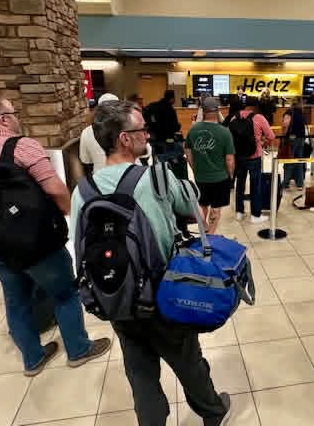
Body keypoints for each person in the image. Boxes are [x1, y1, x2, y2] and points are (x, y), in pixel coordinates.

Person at [70, 100, 231, 426]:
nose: (147, 134)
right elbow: (193, 211)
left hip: (116, 296)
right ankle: (213, 413)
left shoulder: (82, 191)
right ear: (124, 139)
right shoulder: (155, 177)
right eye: (141, 129)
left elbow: (79, 247)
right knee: (188, 361)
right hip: (162, 295)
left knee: (140, 371)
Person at [0, 98, 111, 376]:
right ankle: (78, 350)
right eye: (14, 113)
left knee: (16, 302)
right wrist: (71, 216)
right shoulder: (23, 146)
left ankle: (33, 359)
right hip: (36, 242)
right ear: (3, 119)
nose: (17, 117)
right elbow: (56, 189)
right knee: (65, 294)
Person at [185, 97, 235, 234]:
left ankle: (203, 230)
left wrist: (194, 168)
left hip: (201, 177)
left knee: (202, 204)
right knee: (216, 208)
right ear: (217, 111)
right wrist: (231, 174)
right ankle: (211, 236)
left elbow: (188, 151)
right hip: (220, 177)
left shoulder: (193, 129)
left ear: (203, 111)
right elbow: (229, 158)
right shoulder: (224, 132)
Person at [231, 102, 275, 223]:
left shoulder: (235, 117)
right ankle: (255, 215)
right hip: (254, 156)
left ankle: (239, 212)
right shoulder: (259, 118)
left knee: (240, 184)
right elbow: (271, 136)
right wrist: (263, 143)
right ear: (256, 107)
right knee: (255, 185)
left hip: (239, 156)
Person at [80, 92, 118, 173]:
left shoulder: (86, 132)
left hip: (100, 176)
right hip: (130, 176)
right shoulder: (129, 126)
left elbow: (86, 160)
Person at [143, 89, 181, 154]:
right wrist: (179, 126)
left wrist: (151, 123)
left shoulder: (153, 105)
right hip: (167, 140)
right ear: (171, 99)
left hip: (154, 138)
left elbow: (145, 112)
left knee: (157, 154)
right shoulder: (170, 110)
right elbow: (175, 126)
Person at [281, 102, 307, 190]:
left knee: (289, 160)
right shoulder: (301, 113)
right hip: (301, 139)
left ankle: (286, 183)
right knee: (299, 161)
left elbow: (285, 124)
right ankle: (299, 183)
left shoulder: (289, 112)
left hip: (292, 139)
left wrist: (283, 137)